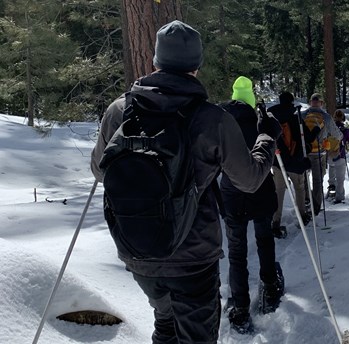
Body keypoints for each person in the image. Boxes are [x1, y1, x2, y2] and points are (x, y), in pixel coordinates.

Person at [90, 20, 281, 344]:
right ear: (196, 65)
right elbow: (249, 179)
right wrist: (266, 137)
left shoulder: (120, 110)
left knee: (165, 322)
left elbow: (99, 170)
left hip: (138, 249)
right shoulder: (211, 119)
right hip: (193, 258)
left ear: (156, 61)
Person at [219, 76, 284, 334]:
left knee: (236, 250)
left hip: (231, 191)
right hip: (259, 186)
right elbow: (270, 148)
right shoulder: (262, 121)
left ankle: (240, 307)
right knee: (264, 238)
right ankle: (269, 285)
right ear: (251, 99)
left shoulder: (220, 119)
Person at [268, 92, 318, 233]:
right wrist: (315, 130)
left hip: (278, 160)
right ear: (291, 102)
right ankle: (302, 215)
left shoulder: (272, 117)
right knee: (299, 188)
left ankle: (275, 221)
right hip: (295, 160)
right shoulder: (295, 117)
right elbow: (307, 138)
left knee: (279, 191)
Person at [301, 93, 342, 216]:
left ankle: (306, 199)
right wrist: (341, 136)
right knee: (317, 179)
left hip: (304, 151)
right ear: (321, 103)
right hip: (319, 152)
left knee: (304, 177)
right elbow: (337, 134)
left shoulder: (302, 115)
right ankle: (316, 206)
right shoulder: (326, 117)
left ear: (310, 102)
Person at [326, 109, 349, 204]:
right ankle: (339, 197)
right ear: (343, 118)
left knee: (332, 171)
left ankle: (331, 188)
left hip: (329, 156)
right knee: (340, 178)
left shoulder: (329, 129)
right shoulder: (345, 130)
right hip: (340, 156)